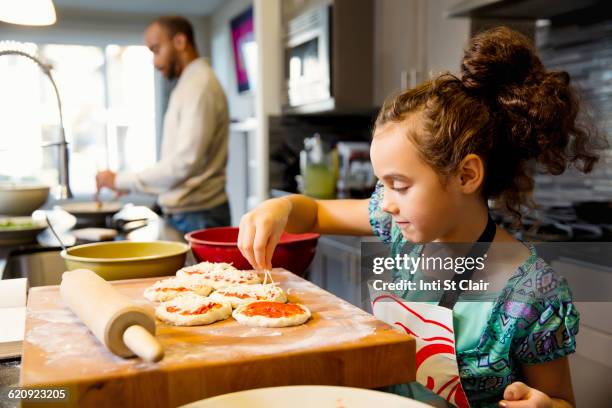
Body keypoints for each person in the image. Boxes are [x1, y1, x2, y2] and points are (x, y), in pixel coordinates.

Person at [237, 27, 604, 407]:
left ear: (465, 175)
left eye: (399, 185)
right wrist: (279, 207)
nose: (387, 203)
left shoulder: (531, 296)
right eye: (383, 184)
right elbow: (313, 212)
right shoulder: (400, 229)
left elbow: (562, 402)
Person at [96, 15, 231, 234]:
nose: (155, 62)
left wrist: (120, 180)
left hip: (199, 217)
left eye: (156, 50)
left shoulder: (200, 85)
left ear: (180, 42)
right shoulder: (190, 84)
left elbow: (184, 163)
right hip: (190, 214)